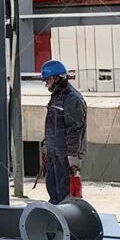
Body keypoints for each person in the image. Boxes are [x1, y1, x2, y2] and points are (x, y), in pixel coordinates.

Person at [40, 59, 87, 205]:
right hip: (54, 154)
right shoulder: (57, 97)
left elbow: (75, 130)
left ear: (57, 78)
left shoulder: (73, 99)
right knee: (54, 192)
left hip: (65, 157)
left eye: (48, 80)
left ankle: (65, 217)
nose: (46, 84)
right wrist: (47, 146)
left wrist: (72, 157)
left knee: (66, 196)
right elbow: (53, 125)